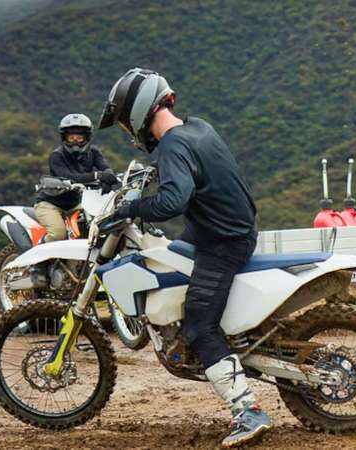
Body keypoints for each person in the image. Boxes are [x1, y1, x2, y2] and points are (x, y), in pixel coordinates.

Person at [97, 68, 266, 447]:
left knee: (199, 324)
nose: (128, 130)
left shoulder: (173, 145)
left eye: (125, 121)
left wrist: (131, 209)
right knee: (168, 255)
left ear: (138, 112)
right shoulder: (197, 128)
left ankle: (249, 410)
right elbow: (190, 172)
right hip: (222, 229)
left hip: (223, 242)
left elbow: (173, 201)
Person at [34, 113, 120, 241]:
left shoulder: (93, 152)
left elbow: (106, 168)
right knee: (58, 234)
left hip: (76, 204)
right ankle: (40, 251)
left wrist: (108, 178)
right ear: (64, 138)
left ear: (87, 138)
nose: (75, 142)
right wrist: (98, 175)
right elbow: (70, 177)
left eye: (79, 138)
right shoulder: (57, 156)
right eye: (71, 138)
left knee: (94, 228)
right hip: (50, 204)